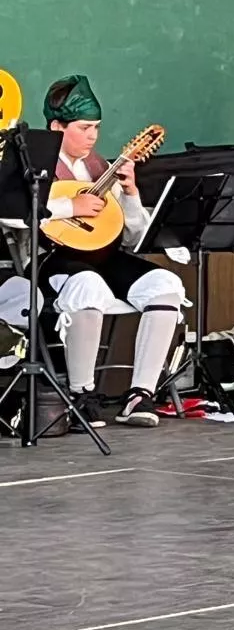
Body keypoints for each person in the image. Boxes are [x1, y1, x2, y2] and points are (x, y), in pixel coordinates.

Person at [27, 76, 186, 429]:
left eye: (97, 128)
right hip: (51, 258)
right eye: (84, 127)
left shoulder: (100, 168)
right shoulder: (33, 163)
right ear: (57, 126)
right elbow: (23, 214)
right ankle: (81, 394)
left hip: (102, 256)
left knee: (164, 284)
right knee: (89, 285)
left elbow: (133, 238)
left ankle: (139, 394)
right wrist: (70, 206)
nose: (93, 136)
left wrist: (130, 193)